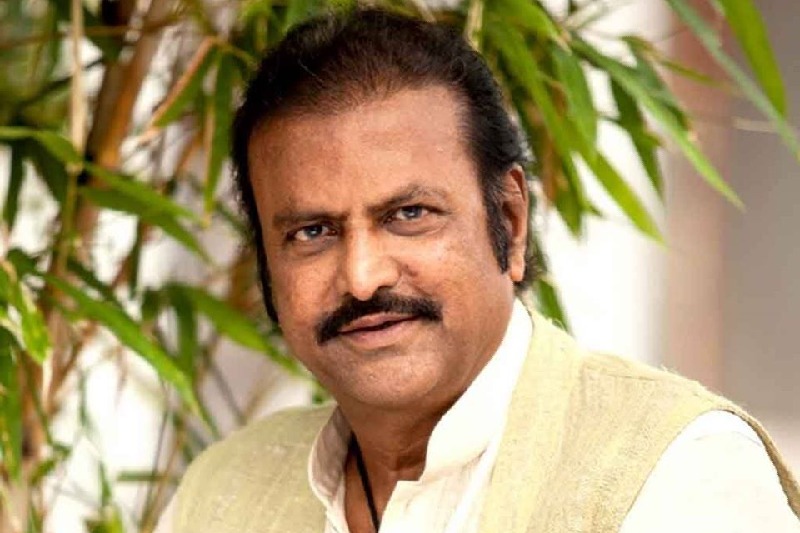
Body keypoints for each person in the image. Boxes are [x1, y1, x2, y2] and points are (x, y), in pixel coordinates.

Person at [155, 8, 800, 533]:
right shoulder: (221, 494)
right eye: (312, 232)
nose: (362, 277)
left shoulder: (672, 470)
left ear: (509, 221)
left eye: (409, 214)